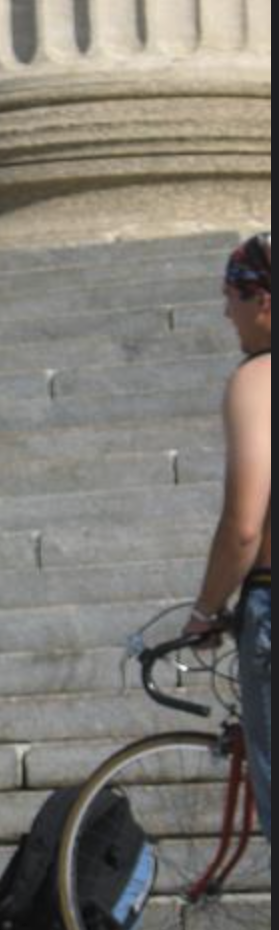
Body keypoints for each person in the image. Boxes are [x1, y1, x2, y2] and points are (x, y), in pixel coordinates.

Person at [184, 232, 271, 847]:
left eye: (230, 298)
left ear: (261, 300)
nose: (225, 314)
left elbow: (243, 527)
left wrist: (205, 611)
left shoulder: (259, 380)